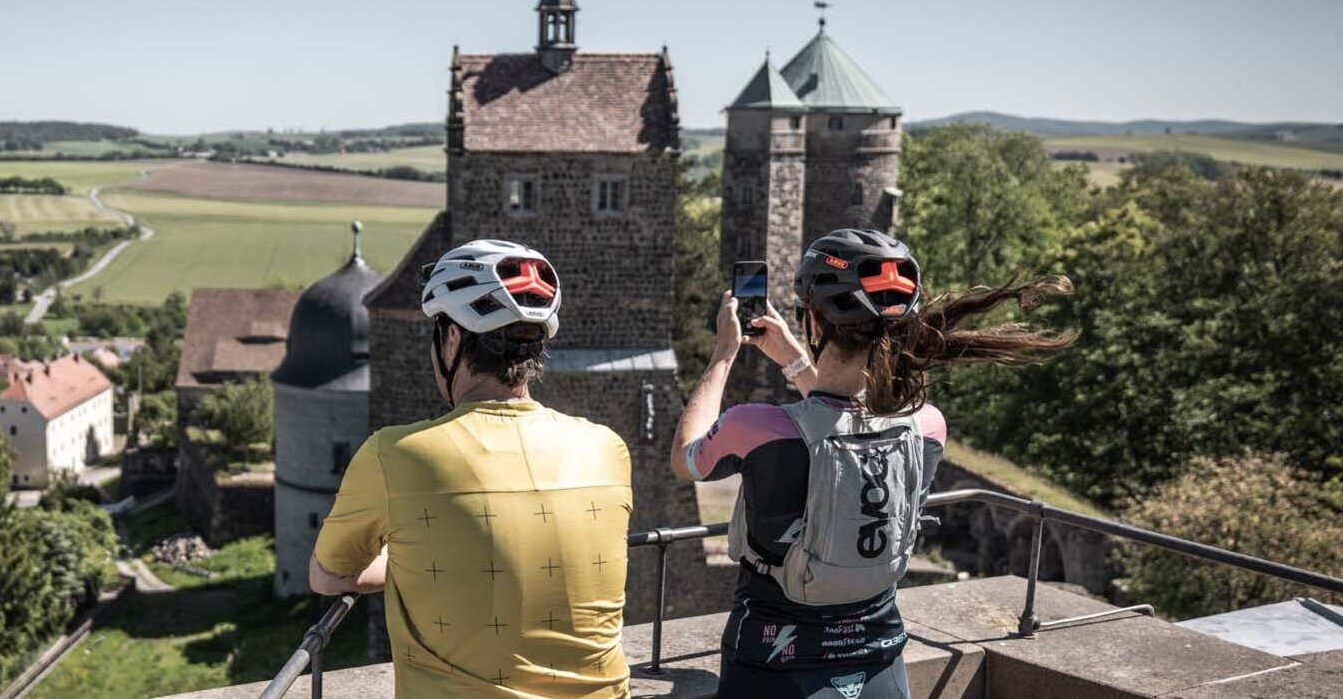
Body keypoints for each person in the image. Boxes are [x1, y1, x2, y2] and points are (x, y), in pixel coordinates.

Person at [669, 229, 1075, 699]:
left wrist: (724, 354)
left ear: (814, 324)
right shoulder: (926, 426)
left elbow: (687, 460)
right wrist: (795, 362)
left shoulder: (755, 427)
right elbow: (848, 423)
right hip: (880, 659)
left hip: (772, 664)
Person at [311, 239, 635, 698]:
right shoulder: (606, 448)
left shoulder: (394, 454)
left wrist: (411, 558)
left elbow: (328, 573)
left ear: (453, 339)